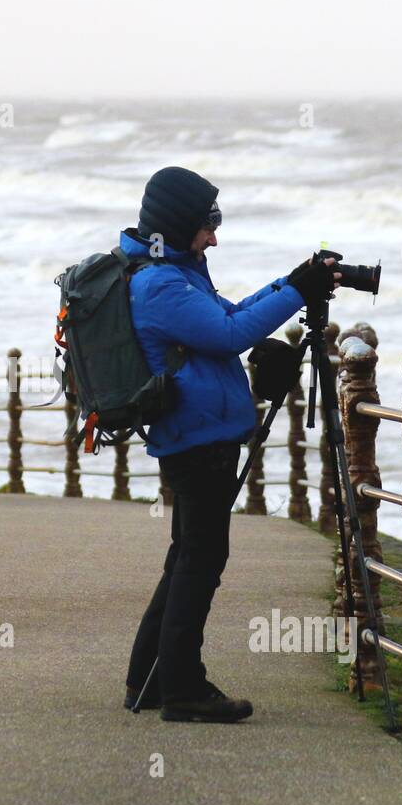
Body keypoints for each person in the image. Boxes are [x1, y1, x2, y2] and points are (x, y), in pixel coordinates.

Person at [122, 166, 341, 723]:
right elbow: (229, 336)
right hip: (197, 442)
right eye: (207, 225)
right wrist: (297, 292)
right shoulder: (160, 284)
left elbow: (229, 316)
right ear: (177, 224)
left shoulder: (178, 270)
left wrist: (290, 281)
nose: (214, 236)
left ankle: (148, 681)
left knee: (186, 559)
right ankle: (184, 690)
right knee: (201, 560)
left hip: (201, 437)